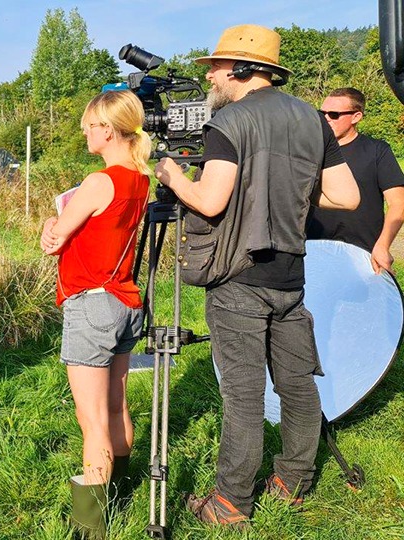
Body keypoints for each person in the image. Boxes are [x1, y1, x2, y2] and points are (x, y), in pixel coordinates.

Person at [155, 24, 360, 528]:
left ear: (242, 70)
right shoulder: (314, 120)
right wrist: (284, 191)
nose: (211, 76)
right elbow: (348, 197)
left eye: (217, 67)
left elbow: (209, 200)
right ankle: (294, 482)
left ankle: (230, 503)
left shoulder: (230, 121)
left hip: (239, 276)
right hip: (291, 277)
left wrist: (171, 175)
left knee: (243, 393)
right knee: (297, 383)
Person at [40, 90, 151, 539]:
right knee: (116, 403)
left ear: (107, 129)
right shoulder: (140, 179)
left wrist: (52, 227)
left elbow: (54, 241)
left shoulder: (98, 181)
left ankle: (91, 527)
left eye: (89, 125)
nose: (85, 132)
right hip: (125, 299)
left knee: (92, 421)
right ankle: (120, 493)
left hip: (91, 300)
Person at [307, 87, 404, 273]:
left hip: (363, 255)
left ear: (356, 117)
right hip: (312, 252)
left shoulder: (377, 151)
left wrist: (382, 246)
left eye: (334, 114)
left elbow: (398, 203)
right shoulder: (308, 151)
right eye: (322, 113)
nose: (326, 118)